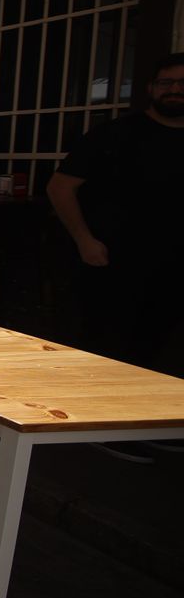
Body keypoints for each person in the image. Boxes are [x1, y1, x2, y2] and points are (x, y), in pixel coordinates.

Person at [48, 53, 184, 462]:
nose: (175, 90)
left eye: (182, 83)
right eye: (167, 82)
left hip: (173, 262)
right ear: (151, 88)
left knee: (157, 344)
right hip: (113, 258)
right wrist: (84, 240)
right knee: (112, 343)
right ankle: (102, 425)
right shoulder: (115, 135)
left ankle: (150, 422)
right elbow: (60, 187)